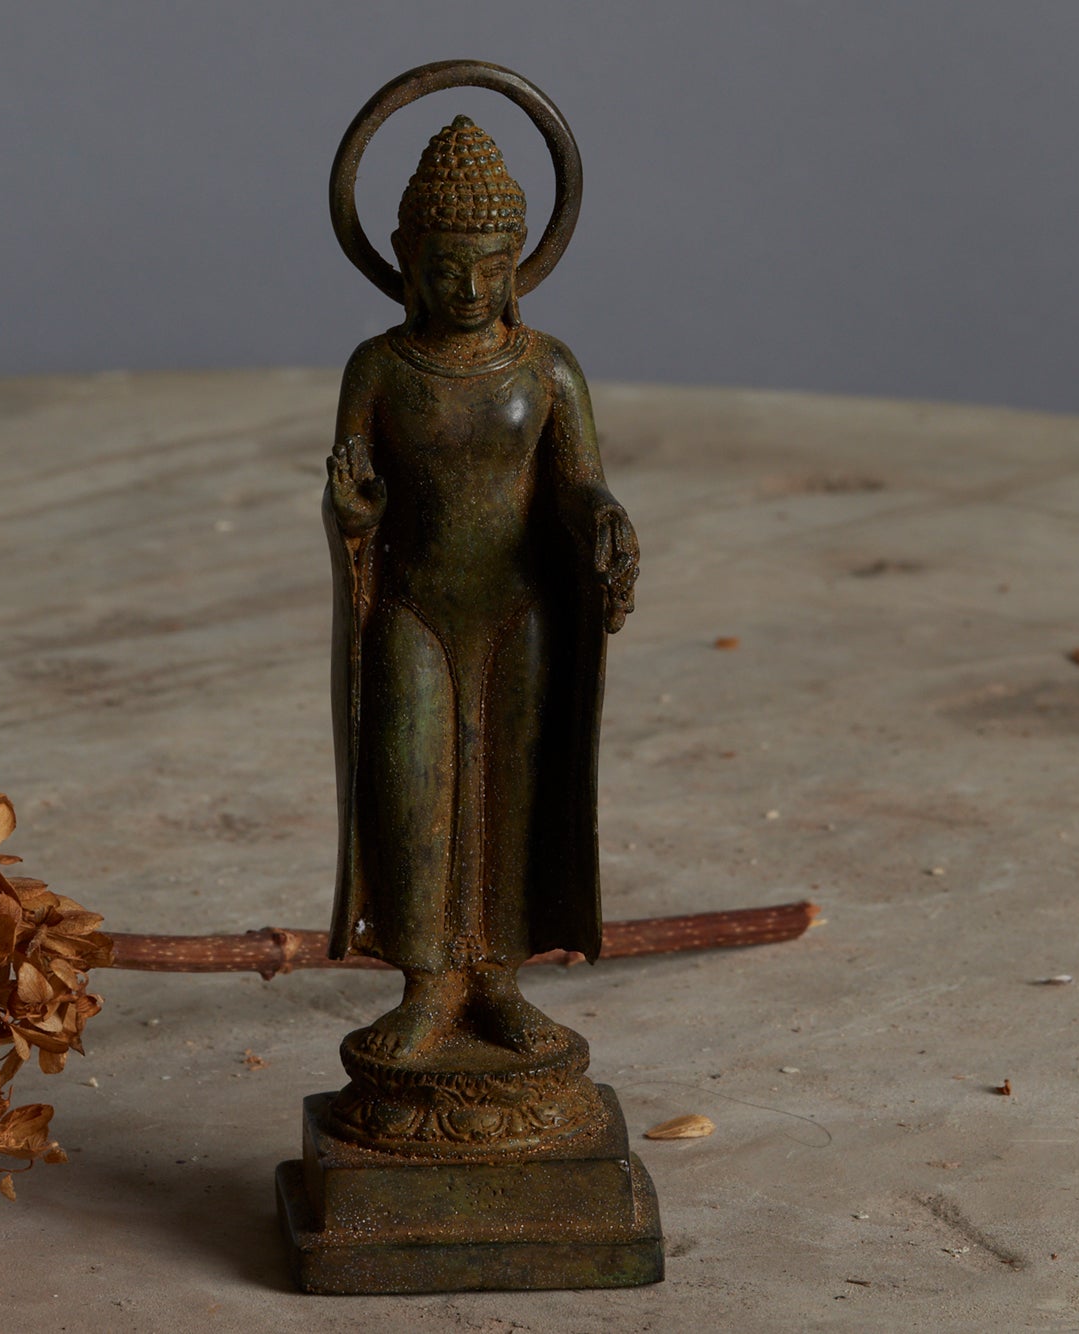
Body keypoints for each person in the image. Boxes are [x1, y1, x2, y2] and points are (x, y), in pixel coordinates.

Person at [323, 115, 640, 1062]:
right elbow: (354, 494)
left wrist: (606, 523)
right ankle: (428, 986)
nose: (469, 288)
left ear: (519, 263)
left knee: (511, 795)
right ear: (405, 256)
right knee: (412, 792)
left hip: (519, 614)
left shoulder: (547, 368)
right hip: (414, 614)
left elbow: (578, 484)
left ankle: (496, 980)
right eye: (448, 264)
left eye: (491, 264)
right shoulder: (378, 369)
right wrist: (353, 515)